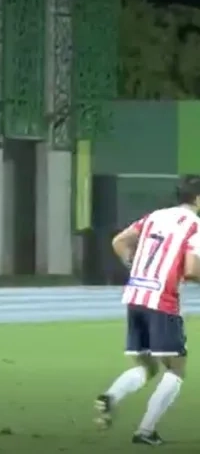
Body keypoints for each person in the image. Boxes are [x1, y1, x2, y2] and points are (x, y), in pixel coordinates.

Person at [94, 175, 200, 446]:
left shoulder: (155, 216)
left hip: (136, 295)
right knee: (176, 368)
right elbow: (191, 269)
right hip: (162, 300)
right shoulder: (195, 226)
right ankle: (146, 430)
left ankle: (110, 397)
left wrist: (136, 268)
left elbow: (119, 241)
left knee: (147, 366)